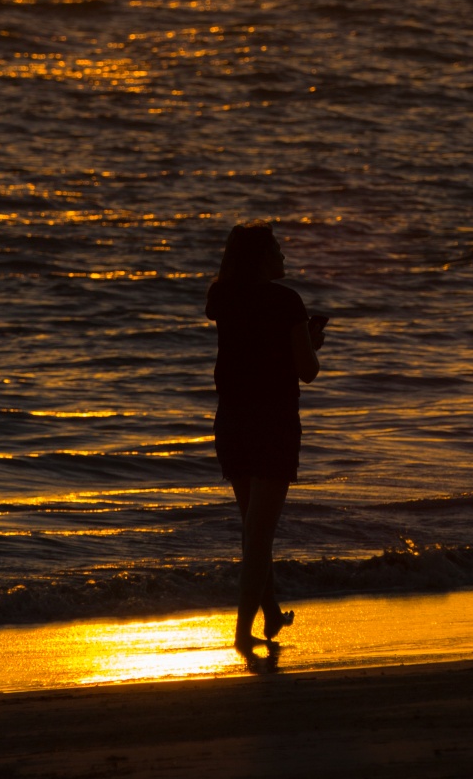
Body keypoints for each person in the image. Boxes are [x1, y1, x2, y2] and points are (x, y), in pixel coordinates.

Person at [205, 222, 326, 652]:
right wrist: (312, 343)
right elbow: (306, 371)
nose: (283, 257)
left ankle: (271, 611)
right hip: (273, 421)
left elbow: (252, 346)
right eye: (276, 249)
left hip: (233, 420)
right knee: (258, 533)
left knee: (253, 528)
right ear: (259, 258)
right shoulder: (287, 301)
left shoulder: (221, 297)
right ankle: (241, 634)